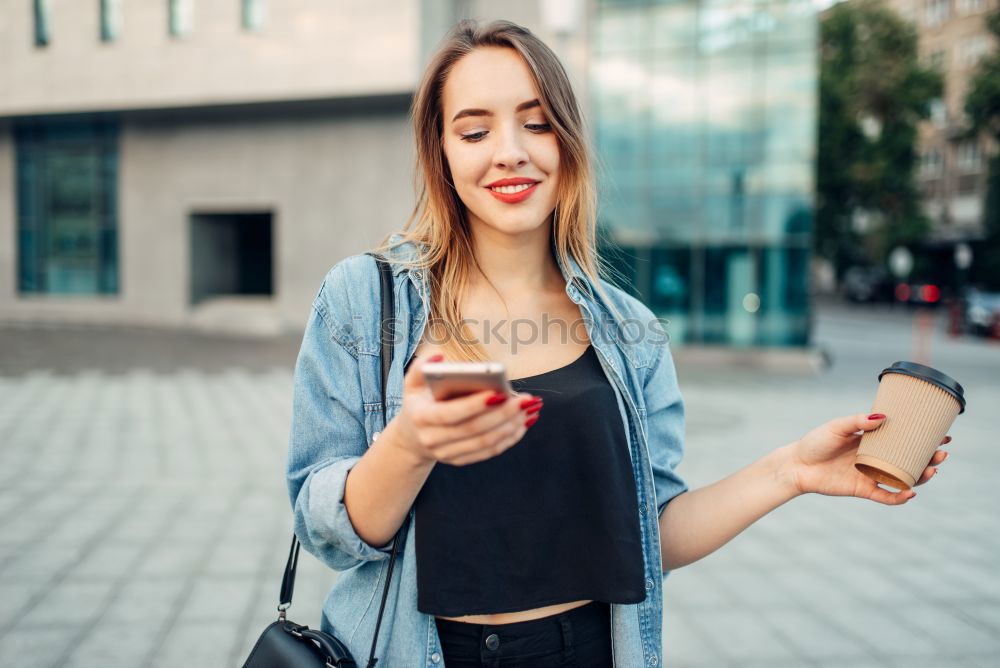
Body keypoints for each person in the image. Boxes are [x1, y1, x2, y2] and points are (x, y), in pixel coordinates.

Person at [286, 19, 952, 668]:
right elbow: (330, 534)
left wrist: (791, 472)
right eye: (475, 130)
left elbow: (648, 532)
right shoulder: (364, 300)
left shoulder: (629, 329)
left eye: (536, 121)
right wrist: (411, 444)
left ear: (567, 141)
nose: (510, 150)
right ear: (442, 153)